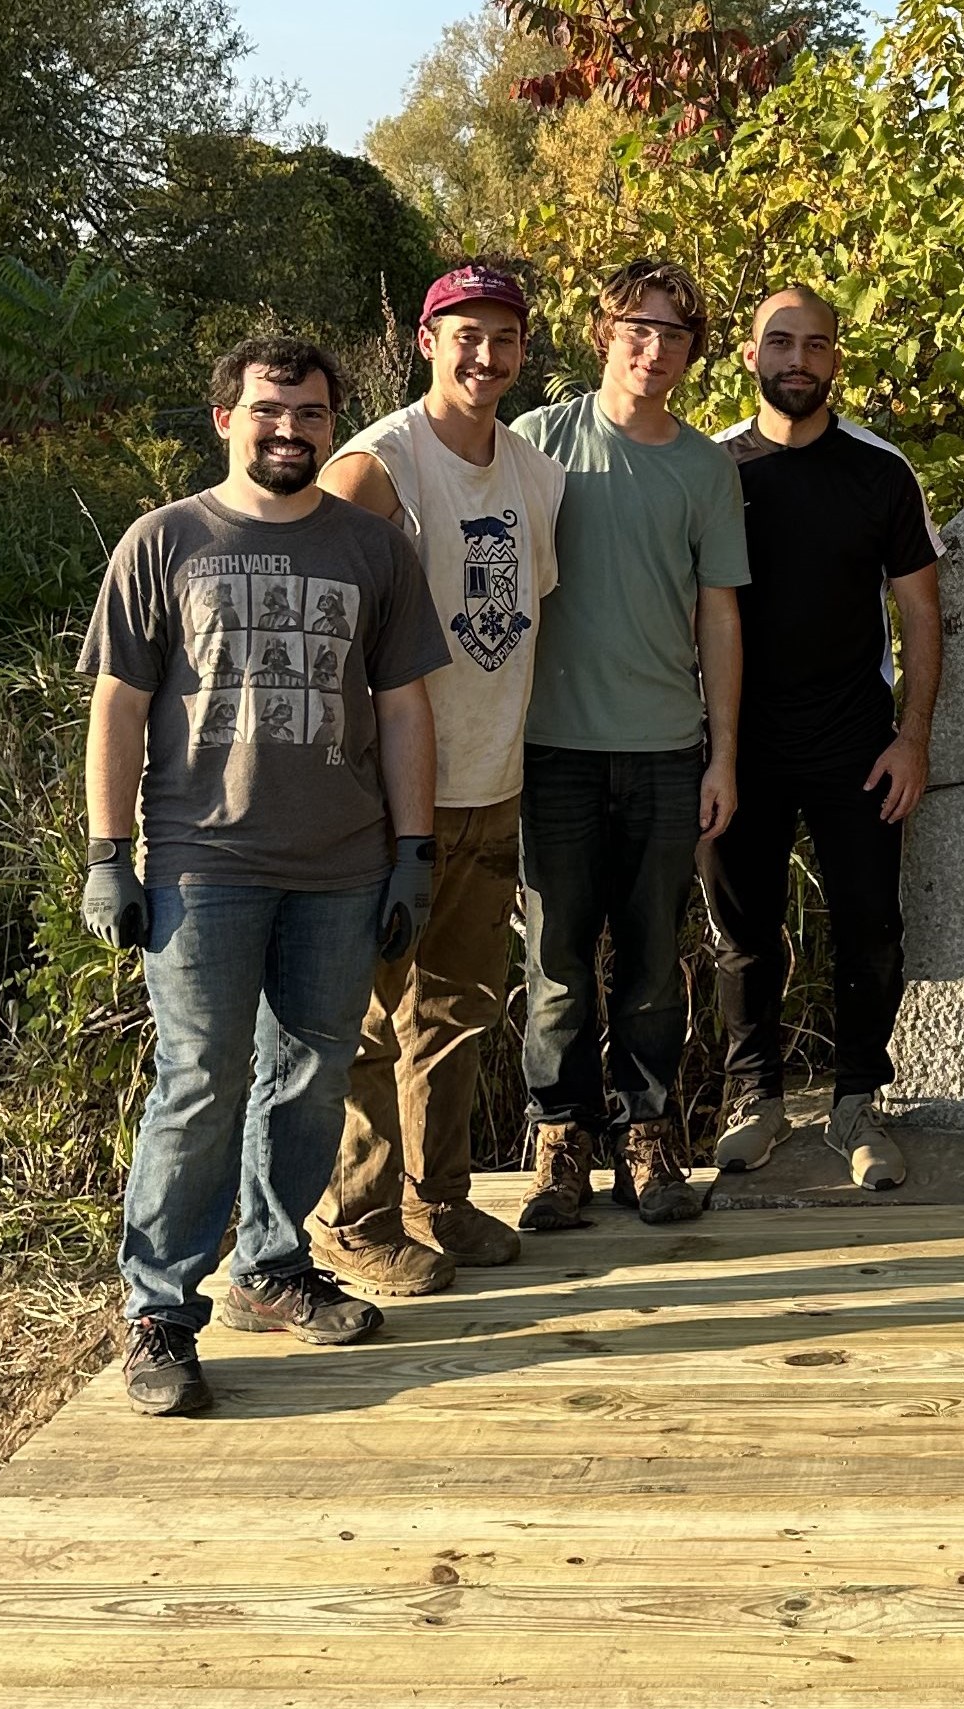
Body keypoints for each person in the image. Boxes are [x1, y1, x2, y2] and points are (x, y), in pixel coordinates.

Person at [78, 334, 449, 1417]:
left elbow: (405, 709)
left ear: (336, 422)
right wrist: (108, 854)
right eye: (269, 411)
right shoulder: (165, 541)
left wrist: (414, 852)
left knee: (312, 1070)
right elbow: (118, 705)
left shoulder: (372, 551)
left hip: (342, 863)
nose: (291, 430)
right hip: (205, 864)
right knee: (200, 1081)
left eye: (312, 413)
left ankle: (274, 1267)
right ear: (225, 419)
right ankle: (159, 1312)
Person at [307, 260, 567, 1297]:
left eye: (505, 337)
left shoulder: (536, 475)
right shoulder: (378, 468)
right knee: (367, 1018)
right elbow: (328, 642)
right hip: (383, 796)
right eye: (467, 335)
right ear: (427, 341)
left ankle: (438, 1199)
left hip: (490, 780)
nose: (487, 355)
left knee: (455, 1008)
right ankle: (352, 1219)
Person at [508, 260, 750, 1228]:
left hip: (663, 748)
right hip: (549, 748)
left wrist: (722, 752)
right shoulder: (535, 443)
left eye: (676, 334)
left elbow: (720, 617)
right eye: (637, 328)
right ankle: (560, 1138)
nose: (655, 349)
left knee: (654, 962)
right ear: (603, 330)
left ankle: (648, 1135)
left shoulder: (704, 468)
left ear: (694, 353)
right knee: (557, 964)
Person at [705, 284, 944, 1189]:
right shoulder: (711, 466)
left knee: (870, 926)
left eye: (815, 344)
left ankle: (857, 1103)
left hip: (856, 744)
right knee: (742, 935)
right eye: (780, 341)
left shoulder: (881, 471)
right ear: (750, 355)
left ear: (837, 359)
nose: (797, 359)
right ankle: (755, 1099)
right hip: (736, 748)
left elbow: (921, 612)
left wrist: (911, 739)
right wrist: (708, 746)